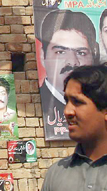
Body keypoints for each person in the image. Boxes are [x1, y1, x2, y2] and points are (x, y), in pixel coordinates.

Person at [37, 9, 98, 138]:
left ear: (94, 55)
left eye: (81, 53)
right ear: (43, 56)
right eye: (60, 52)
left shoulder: (104, 107)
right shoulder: (34, 108)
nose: (72, 62)